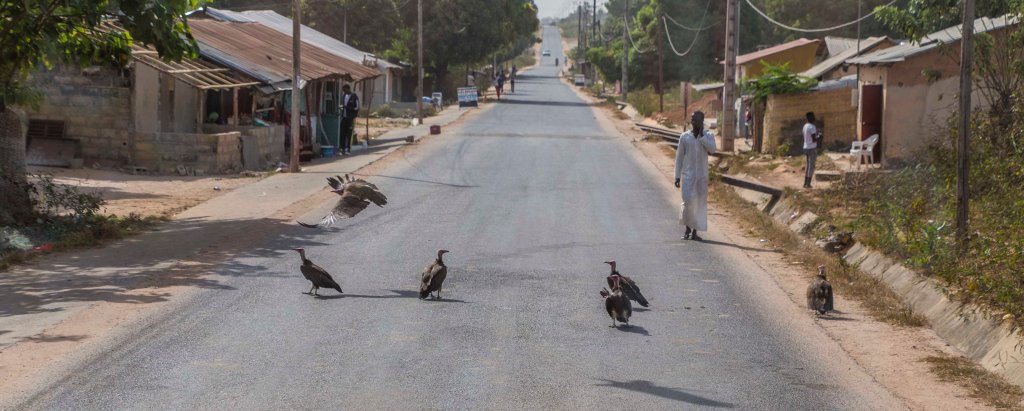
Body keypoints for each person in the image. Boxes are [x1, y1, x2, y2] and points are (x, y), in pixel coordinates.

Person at [674, 111, 716, 241]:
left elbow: (712, 149)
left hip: (701, 177)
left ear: (702, 121)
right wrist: (677, 176)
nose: (693, 122)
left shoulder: (708, 136)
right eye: (692, 119)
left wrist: (702, 136)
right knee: (687, 202)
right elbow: (679, 157)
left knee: (699, 204)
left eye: (696, 119)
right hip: (688, 176)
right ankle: (687, 228)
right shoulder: (685, 137)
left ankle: (695, 232)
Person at [340, 84, 360, 155]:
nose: (344, 92)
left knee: (349, 134)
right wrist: (341, 108)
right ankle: (342, 149)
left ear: (348, 89)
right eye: (343, 90)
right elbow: (343, 107)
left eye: (345, 90)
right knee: (342, 133)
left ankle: (348, 149)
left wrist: (347, 108)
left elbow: (357, 108)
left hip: (351, 118)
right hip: (344, 117)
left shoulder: (354, 96)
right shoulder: (344, 96)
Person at [802, 112, 818, 188]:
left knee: (808, 165)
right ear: (810, 118)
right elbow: (814, 139)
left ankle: (805, 183)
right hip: (811, 148)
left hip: (806, 147)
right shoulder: (812, 127)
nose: (814, 118)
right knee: (811, 166)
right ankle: (808, 184)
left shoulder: (805, 126)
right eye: (813, 116)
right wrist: (819, 137)